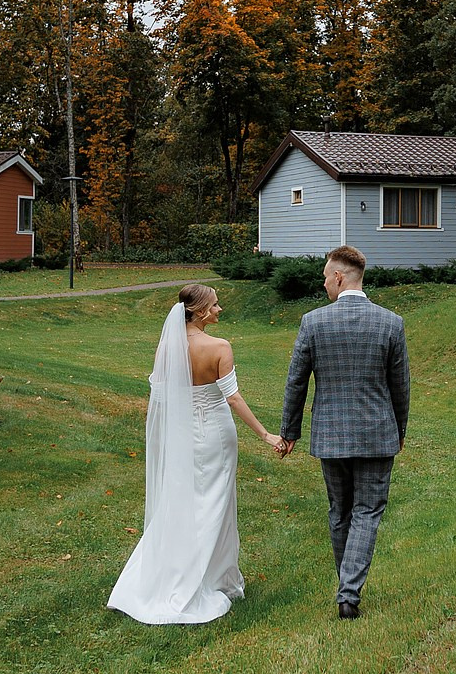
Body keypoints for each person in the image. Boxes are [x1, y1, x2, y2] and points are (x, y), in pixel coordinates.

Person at [108, 284, 283, 625]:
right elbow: (233, 398)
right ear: (200, 311)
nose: (219, 310)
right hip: (215, 434)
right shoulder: (219, 347)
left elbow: (161, 398)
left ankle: (179, 573)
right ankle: (211, 579)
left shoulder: (167, 347)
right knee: (215, 504)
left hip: (183, 435)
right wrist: (265, 434)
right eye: (215, 305)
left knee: (182, 502)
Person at [277, 245, 410, 619]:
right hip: (377, 432)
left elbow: (296, 381)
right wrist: (399, 429)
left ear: (339, 276)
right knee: (367, 511)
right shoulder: (391, 323)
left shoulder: (313, 322)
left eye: (325, 277)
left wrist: (290, 431)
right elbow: (400, 386)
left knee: (340, 510)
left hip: (331, 434)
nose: (323, 284)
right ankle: (348, 594)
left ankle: (346, 589)